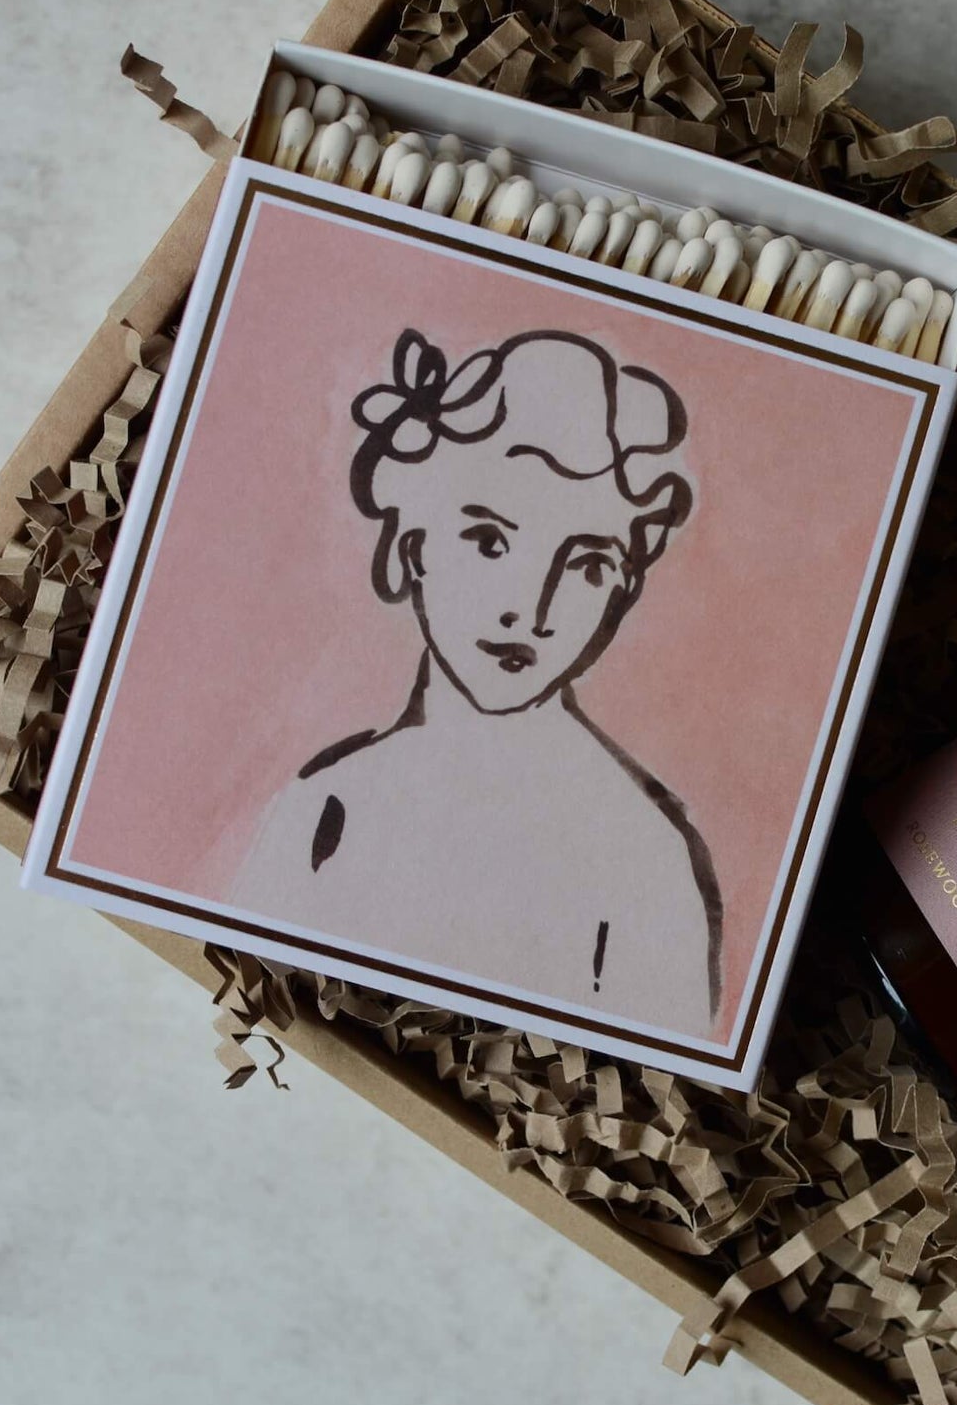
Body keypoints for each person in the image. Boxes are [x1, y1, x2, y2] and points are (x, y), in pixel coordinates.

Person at [232, 327, 722, 1037]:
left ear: (620, 592)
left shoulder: (643, 858)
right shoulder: (323, 810)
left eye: (586, 564)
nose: (532, 605)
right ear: (410, 550)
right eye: (490, 541)